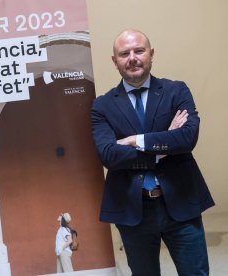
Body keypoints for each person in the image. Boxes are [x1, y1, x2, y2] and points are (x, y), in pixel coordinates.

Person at [91, 29, 214, 276]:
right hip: (132, 208)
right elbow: (109, 155)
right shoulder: (102, 105)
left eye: (139, 50)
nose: (132, 58)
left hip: (181, 202)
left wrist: (136, 140)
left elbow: (187, 138)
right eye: (124, 53)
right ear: (115, 61)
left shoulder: (176, 91)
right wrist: (165, 144)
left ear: (151, 54)